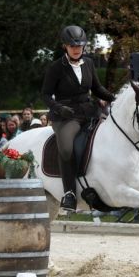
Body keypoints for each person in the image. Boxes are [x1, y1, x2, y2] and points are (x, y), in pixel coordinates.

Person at [41, 25, 115, 211]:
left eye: (79, 46)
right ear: (65, 46)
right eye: (72, 46)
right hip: (67, 115)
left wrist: (116, 98)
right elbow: (45, 95)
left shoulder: (89, 63)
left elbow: (97, 89)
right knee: (66, 149)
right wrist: (58, 107)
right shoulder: (56, 67)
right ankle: (69, 193)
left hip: (90, 110)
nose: (76, 49)